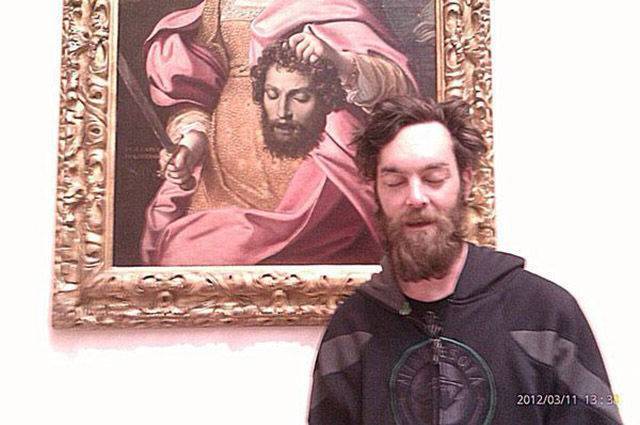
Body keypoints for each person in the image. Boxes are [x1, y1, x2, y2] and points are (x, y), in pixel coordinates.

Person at [308, 96, 623, 424]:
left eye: (433, 178)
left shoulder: (547, 314)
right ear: (375, 190)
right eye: (395, 182)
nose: (415, 197)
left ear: (466, 181)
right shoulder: (351, 330)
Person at [140, 0, 418, 265]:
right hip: (226, 155)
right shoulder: (218, 6)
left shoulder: (330, 3)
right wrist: (193, 139)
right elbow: (197, 91)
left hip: (311, 153)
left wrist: (338, 61)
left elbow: (397, 87)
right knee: (186, 254)